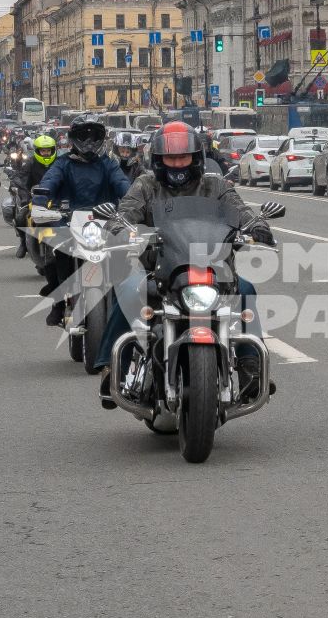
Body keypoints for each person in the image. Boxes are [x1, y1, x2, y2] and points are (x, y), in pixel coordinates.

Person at [99, 122, 272, 406]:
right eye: (170, 158)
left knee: (247, 291)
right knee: (130, 291)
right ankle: (111, 368)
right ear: (158, 160)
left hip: (213, 270)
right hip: (161, 271)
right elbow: (126, 212)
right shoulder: (146, 185)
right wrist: (119, 227)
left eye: (183, 157)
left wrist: (256, 224)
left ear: (196, 157)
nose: (177, 164)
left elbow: (238, 209)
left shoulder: (214, 185)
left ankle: (250, 368)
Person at [36, 118, 131, 325]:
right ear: (73, 139)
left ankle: (123, 302)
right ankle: (59, 303)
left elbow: (122, 183)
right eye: (83, 136)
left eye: (94, 137)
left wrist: (132, 199)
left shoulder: (109, 164)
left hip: (105, 221)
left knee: (129, 254)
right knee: (55, 254)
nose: (89, 142)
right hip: (68, 220)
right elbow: (49, 181)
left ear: (101, 139)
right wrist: (40, 200)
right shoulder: (63, 164)